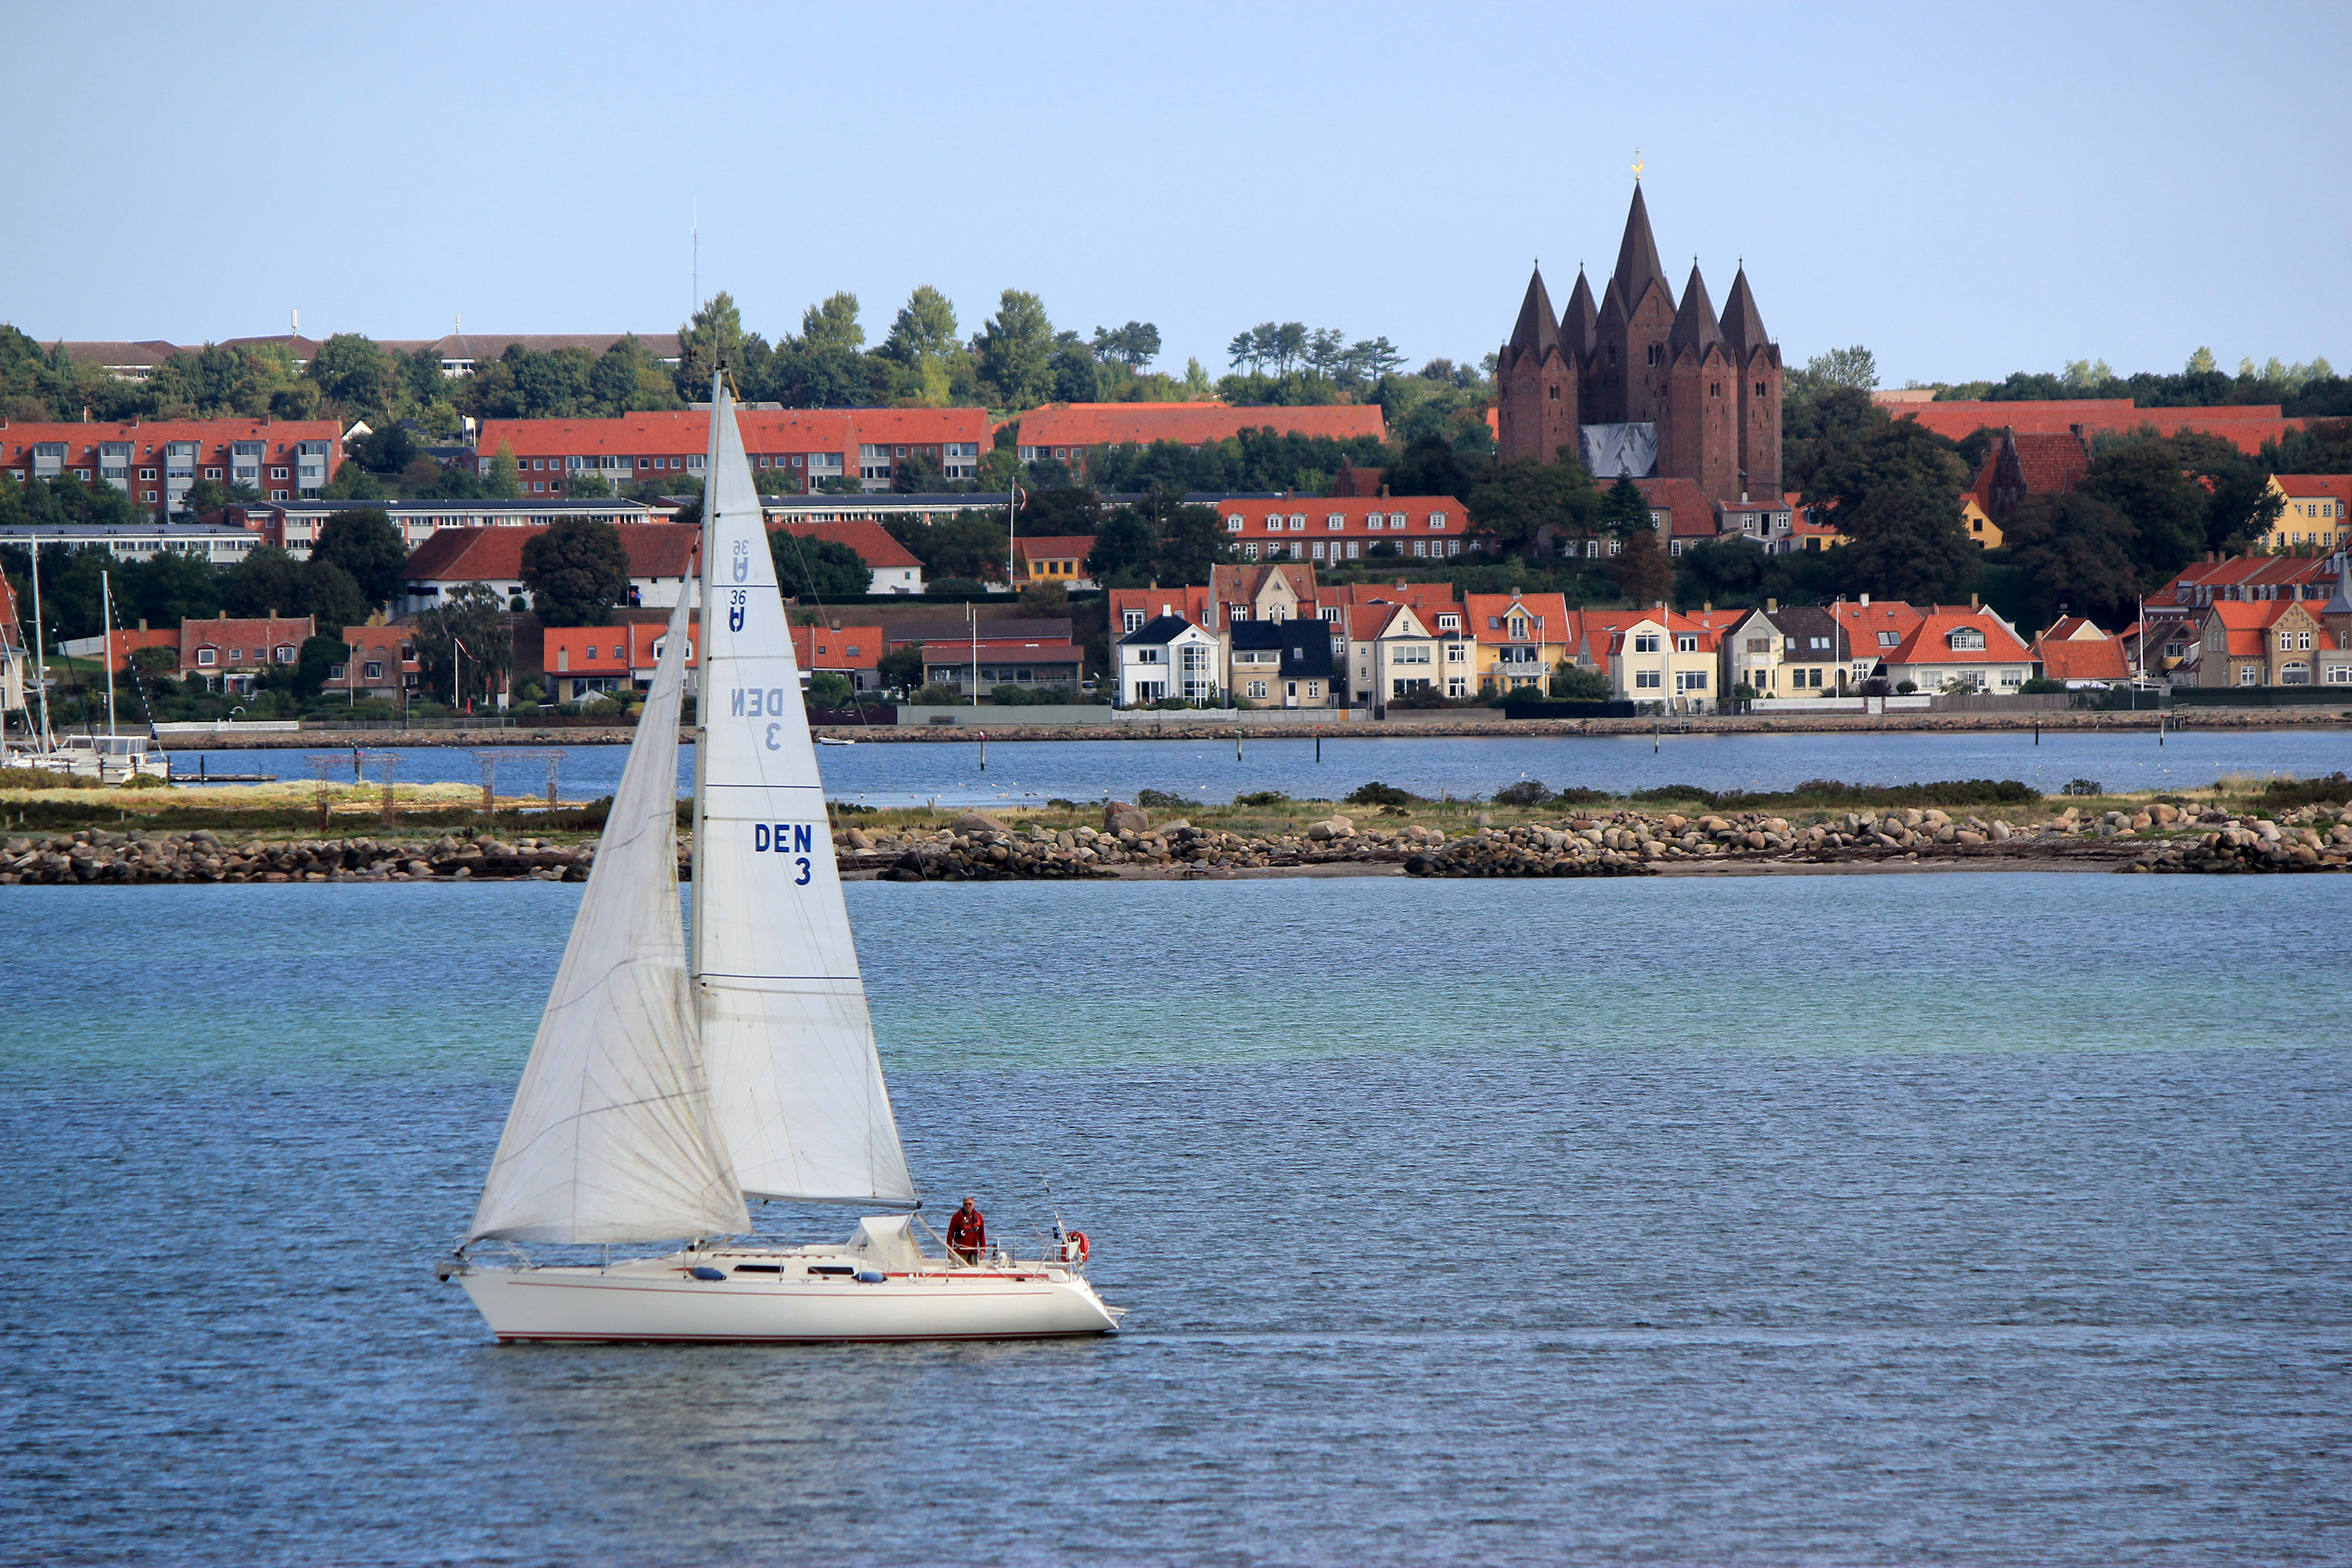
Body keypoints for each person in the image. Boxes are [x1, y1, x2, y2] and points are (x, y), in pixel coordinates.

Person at [946, 1196, 985, 1265]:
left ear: (973, 1205)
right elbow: (950, 1235)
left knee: (973, 1271)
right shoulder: (956, 1217)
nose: (968, 1206)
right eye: (966, 1204)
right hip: (960, 1252)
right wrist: (949, 1251)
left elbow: (981, 1235)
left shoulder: (979, 1217)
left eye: (970, 1204)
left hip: (973, 1252)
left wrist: (983, 1250)